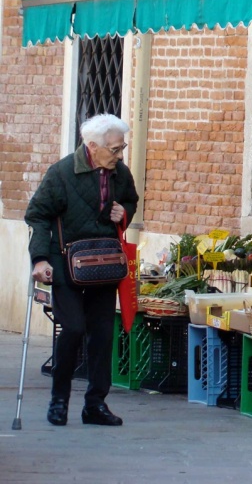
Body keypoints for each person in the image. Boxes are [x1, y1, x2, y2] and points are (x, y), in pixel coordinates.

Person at [26, 114, 139, 427]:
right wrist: (39, 259)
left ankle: (95, 404)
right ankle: (59, 400)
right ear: (93, 146)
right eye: (115, 149)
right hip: (65, 265)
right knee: (73, 328)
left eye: (122, 148)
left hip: (105, 265)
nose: (120, 155)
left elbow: (132, 201)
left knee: (102, 334)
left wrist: (123, 212)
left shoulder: (121, 174)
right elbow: (37, 215)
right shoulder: (62, 173)